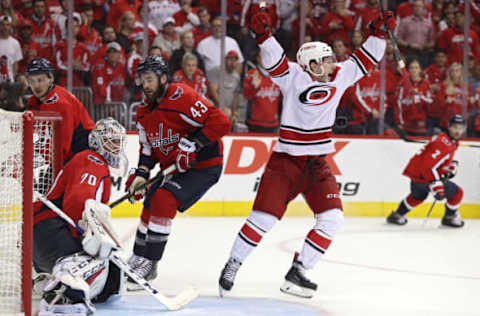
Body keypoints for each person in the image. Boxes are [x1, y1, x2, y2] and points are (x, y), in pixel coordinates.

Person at [218, 10, 395, 298]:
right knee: (263, 219)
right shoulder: (293, 76)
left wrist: (378, 33)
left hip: (317, 164)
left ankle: (299, 271)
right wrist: (263, 36)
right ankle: (233, 264)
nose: (331, 62)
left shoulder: (340, 75)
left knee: (333, 218)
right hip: (285, 162)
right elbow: (274, 60)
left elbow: (366, 59)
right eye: (325, 59)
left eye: (330, 58)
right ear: (310, 63)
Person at [124, 55, 230, 283]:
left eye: (150, 79)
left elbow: (221, 122)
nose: (145, 85)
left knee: (163, 199)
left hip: (203, 166)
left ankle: (150, 264)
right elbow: (148, 149)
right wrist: (140, 175)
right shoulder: (143, 111)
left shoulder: (181, 96)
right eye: (142, 79)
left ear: (163, 78)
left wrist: (194, 143)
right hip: (175, 168)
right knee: (150, 202)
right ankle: (138, 256)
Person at [33, 118, 126, 314]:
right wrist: (88, 233)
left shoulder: (95, 162)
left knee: (113, 270)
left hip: (46, 236)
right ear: (98, 142)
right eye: (112, 141)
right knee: (99, 257)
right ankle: (64, 294)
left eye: (119, 142)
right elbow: (77, 202)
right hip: (51, 229)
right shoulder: (91, 160)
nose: (117, 147)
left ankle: (58, 280)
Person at [386, 115, 466, 228]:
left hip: (417, 174)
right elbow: (428, 166)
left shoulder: (447, 139)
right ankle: (450, 217)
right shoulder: (444, 143)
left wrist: (449, 166)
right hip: (425, 176)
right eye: (455, 127)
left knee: (417, 197)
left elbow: (434, 161)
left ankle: (398, 215)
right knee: (457, 193)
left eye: (461, 128)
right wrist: (436, 183)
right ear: (449, 127)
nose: (458, 131)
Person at [26, 58, 94, 165]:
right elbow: (36, 133)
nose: (36, 86)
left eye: (40, 80)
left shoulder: (61, 103)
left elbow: (63, 146)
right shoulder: (34, 101)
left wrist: (44, 158)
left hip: (81, 152)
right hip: (64, 152)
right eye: (32, 81)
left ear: (51, 79)